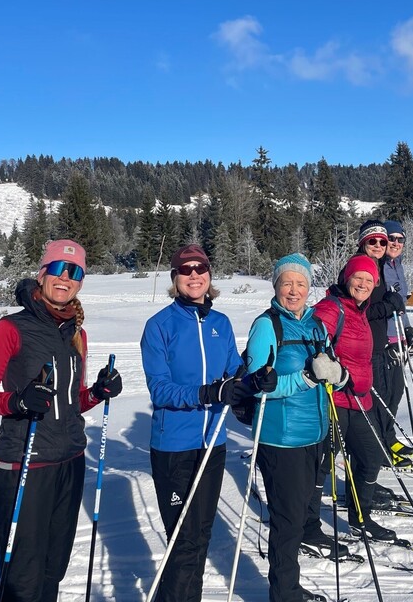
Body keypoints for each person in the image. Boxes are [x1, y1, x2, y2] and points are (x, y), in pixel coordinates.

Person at [0, 239, 123, 602]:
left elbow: (71, 403)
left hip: (70, 462)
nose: (65, 277)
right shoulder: (11, 328)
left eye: (75, 272)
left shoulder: (77, 334)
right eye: (57, 268)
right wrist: (18, 401)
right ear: (41, 274)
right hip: (26, 464)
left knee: (53, 570)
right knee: (22, 579)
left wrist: (98, 392)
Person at [140, 244, 262, 602]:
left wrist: (255, 381)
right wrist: (208, 393)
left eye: (201, 269)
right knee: (183, 540)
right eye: (186, 269)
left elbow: (234, 372)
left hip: (213, 443)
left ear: (209, 276)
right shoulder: (159, 326)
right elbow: (160, 389)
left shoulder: (220, 323)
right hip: (174, 447)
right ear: (175, 278)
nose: (194, 275)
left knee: (201, 536)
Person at [245, 253, 345, 602]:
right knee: (287, 522)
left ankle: (289, 587)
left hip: (314, 435)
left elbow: (329, 368)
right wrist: (305, 378)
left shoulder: (316, 325)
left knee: (300, 517)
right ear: (275, 286)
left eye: (300, 283)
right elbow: (258, 386)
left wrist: (338, 375)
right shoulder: (266, 326)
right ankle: (284, 594)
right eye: (286, 282)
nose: (293, 290)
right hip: (281, 439)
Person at [308, 254, 398, 544]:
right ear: (346, 278)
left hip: (359, 400)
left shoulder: (361, 311)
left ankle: (361, 519)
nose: (362, 284)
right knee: (322, 465)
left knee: (371, 457)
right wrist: (332, 369)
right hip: (333, 401)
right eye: (357, 277)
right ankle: (308, 527)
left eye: (369, 280)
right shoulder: (331, 308)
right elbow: (312, 345)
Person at [355, 220, 407, 494]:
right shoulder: (362, 267)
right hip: (369, 347)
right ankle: (367, 473)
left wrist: (406, 331)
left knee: (390, 396)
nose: (382, 245)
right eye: (373, 241)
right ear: (363, 242)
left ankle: (384, 447)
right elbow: (359, 310)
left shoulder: (387, 266)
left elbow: (394, 306)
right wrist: (388, 306)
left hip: (383, 342)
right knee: (374, 406)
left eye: (383, 241)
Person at [381, 220, 413, 467]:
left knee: (395, 393)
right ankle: (380, 445)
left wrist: (407, 330)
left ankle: (389, 437)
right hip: (383, 340)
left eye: (400, 239)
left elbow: (400, 305)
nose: (395, 243)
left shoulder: (398, 266)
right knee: (384, 394)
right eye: (391, 238)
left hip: (398, 336)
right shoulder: (379, 266)